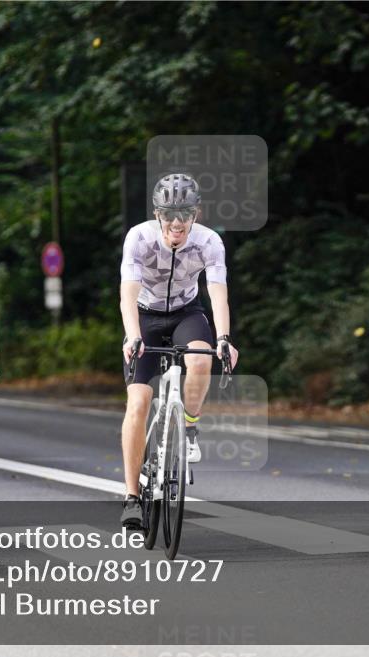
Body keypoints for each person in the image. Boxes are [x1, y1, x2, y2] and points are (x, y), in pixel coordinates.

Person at [118, 173, 239, 529]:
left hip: (187, 312)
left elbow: (218, 293)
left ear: (195, 214)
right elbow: (127, 294)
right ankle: (131, 496)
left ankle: (190, 426)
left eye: (184, 214)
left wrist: (224, 337)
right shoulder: (139, 238)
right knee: (138, 403)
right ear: (158, 215)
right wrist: (132, 337)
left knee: (201, 359)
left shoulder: (209, 242)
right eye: (169, 214)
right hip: (145, 316)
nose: (176, 222)